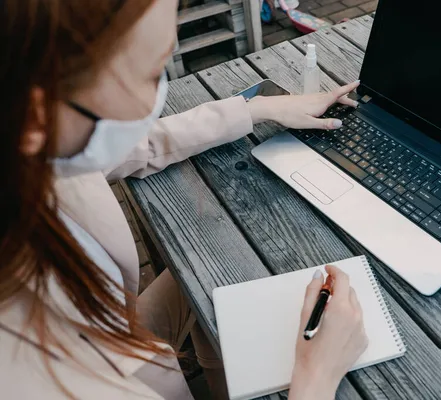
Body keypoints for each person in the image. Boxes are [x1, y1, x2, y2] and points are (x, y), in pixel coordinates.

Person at [0, 0, 368, 399]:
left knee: (214, 271)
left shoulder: (26, 144)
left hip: (121, 335)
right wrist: (315, 378)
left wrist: (260, 107)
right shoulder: (23, 370)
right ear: (39, 115)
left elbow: (136, 143)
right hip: (120, 374)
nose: (158, 89)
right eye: (149, 71)